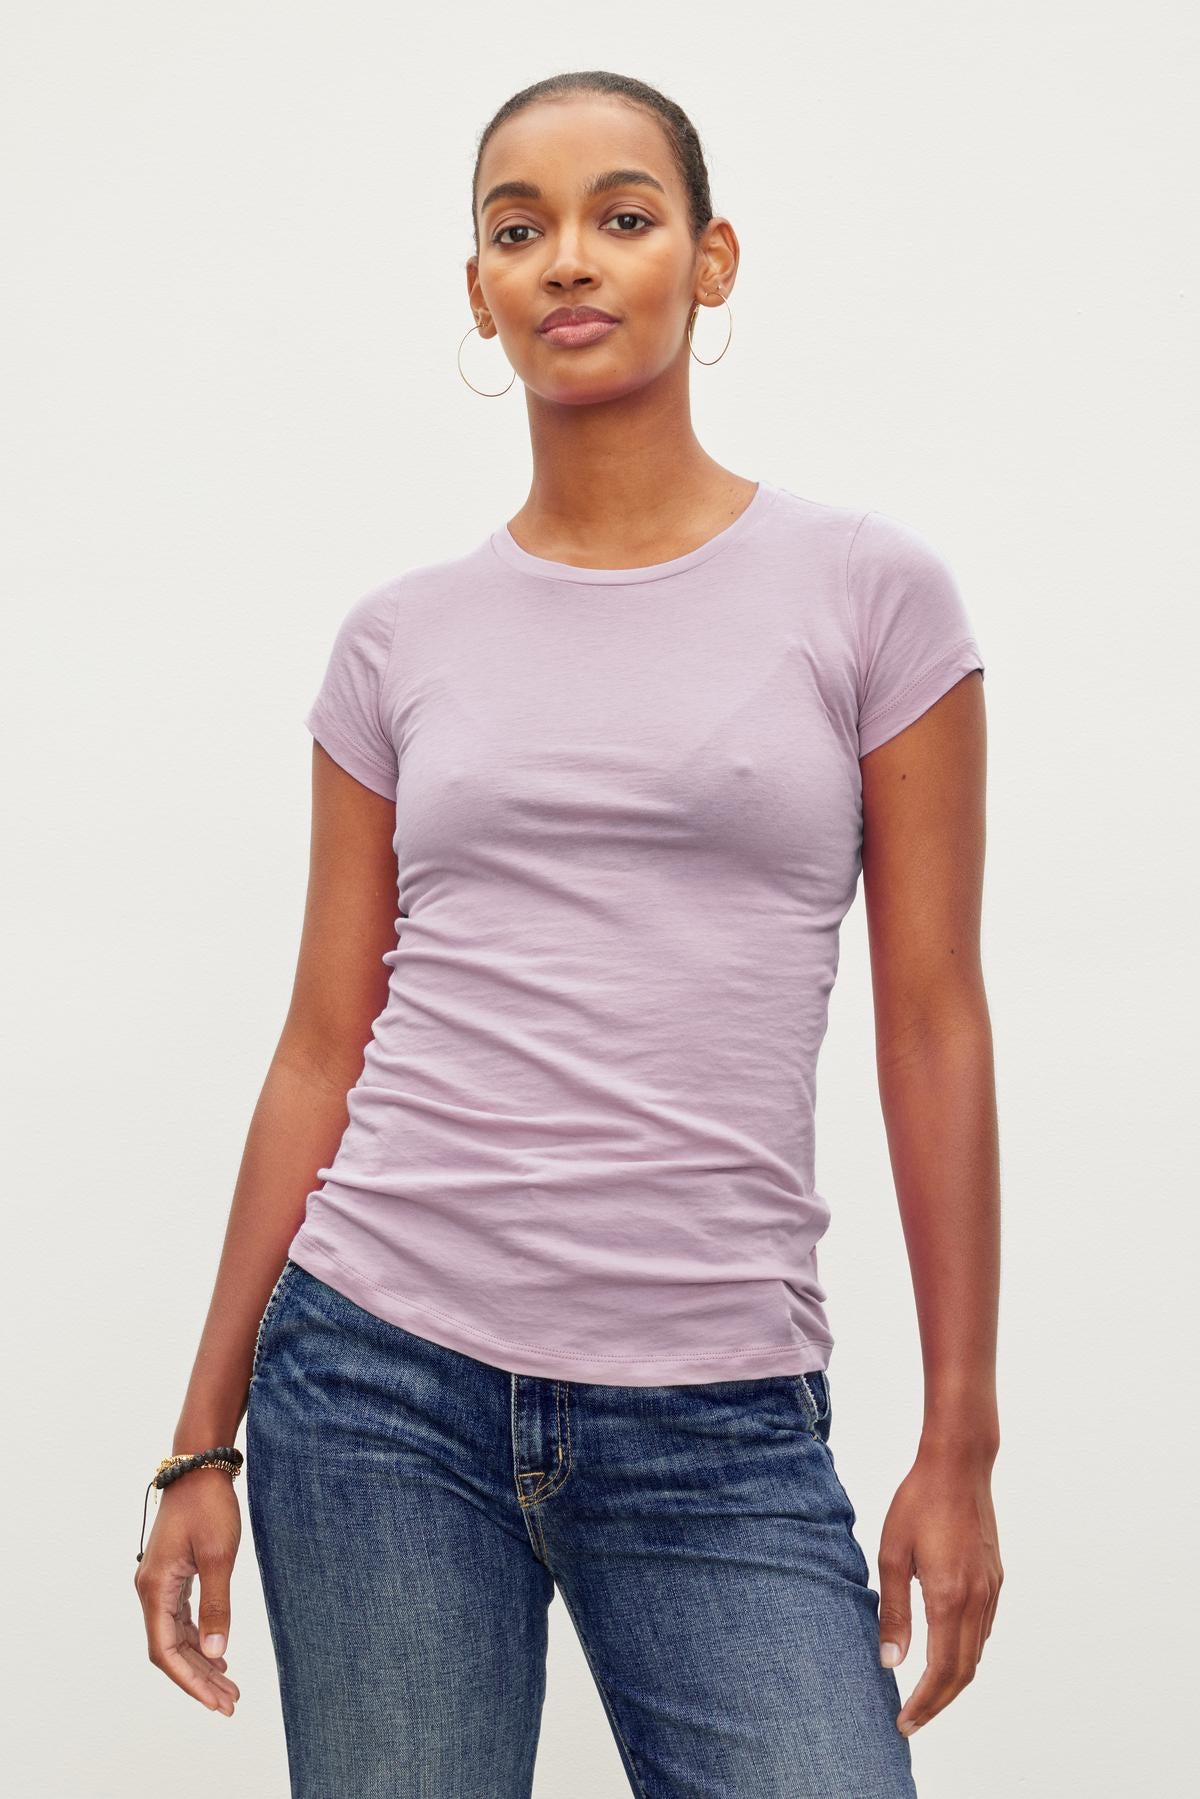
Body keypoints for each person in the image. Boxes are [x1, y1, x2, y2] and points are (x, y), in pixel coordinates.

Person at [134, 68, 1003, 1798]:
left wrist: (961, 1439)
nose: (571, 262)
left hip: (721, 1416)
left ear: (713, 256)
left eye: (624, 215)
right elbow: (326, 1042)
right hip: (377, 1381)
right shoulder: (399, 643)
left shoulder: (870, 597)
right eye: (519, 231)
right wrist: (196, 1442)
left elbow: (934, 1024)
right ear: (478, 292)